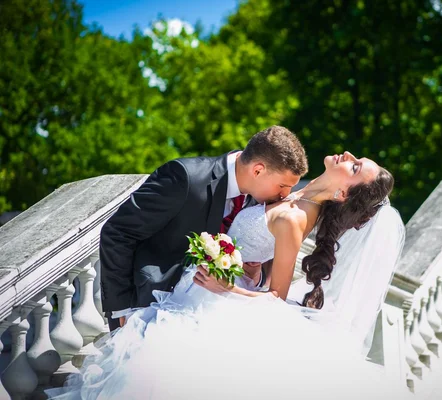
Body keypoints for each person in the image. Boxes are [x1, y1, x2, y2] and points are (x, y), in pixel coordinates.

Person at [48, 151, 405, 400]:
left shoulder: (297, 218)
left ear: (343, 193)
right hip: (196, 288)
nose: (348, 156)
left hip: (211, 299)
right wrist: (253, 264)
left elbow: (276, 299)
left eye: (356, 167)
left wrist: (227, 286)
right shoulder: (297, 194)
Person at [99, 126, 308, 331]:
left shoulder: (261, 201)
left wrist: (256, 276)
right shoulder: (185, 178)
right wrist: (122, 310)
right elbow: (118, 232)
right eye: (283, 186)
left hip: (208, 320)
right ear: (258, 170)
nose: (285, 195)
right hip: (149, 311)